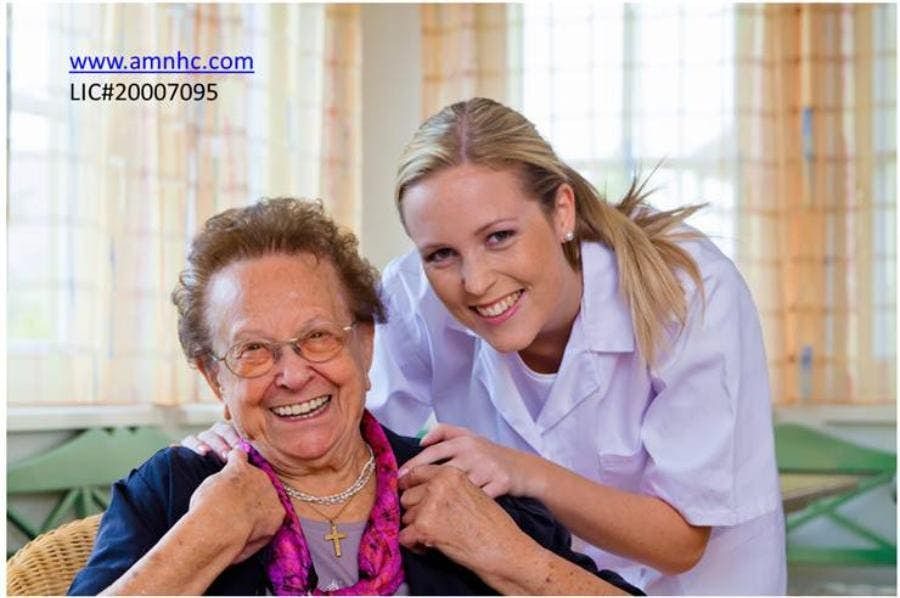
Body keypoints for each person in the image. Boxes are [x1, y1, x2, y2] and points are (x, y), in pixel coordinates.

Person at [185, 98, 786, 594]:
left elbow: (681, 541)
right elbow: (347, 432)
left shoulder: (688, 292)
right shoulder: (412, 297)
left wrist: (521, 472)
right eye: (441, 254)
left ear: (561, 210)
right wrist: (242, 435)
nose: (474, 282)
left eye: (500, 237)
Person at [69, 198, 641, 596]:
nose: (293, 375)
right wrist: (202, 540)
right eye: (254, 351)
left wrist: (506, 554)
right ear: (216, 380)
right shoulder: (172, 495)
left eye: (318, 337)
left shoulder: (453, 483)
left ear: (365, 347)